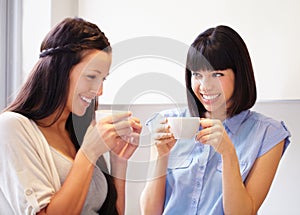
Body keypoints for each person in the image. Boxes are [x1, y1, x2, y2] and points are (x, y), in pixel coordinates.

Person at [140, 25, 291, 215]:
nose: (205, 86)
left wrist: (228, 154)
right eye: (197, 75)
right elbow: (149, 212)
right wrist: (160, 156)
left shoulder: (268, 134)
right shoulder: (168, 123)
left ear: (239, 74)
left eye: (217, 74)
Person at [0, 17, 142, 215]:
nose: (99, 91)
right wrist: (88, 153)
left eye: (103, 79)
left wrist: (119, 161)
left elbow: (111, 212)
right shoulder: (12, 127)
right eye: (92, 76)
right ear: (58, 69)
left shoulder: (79, 132)